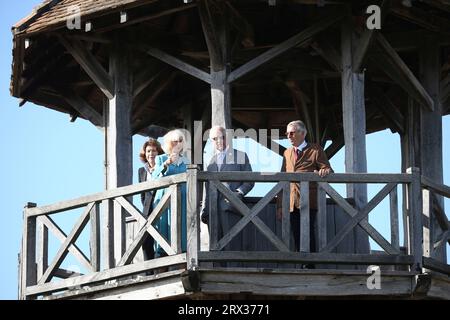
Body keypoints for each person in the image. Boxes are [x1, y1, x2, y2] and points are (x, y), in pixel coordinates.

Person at [277, 120, 333, 254]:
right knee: (296, 231)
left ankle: (310, 263)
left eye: (292, 133)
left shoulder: (315, 149)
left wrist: (324, 171)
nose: (288, 136)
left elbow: (328, 169)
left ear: (302, 133)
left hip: (309, 199)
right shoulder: (287, 152)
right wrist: (280, 205)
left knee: (308, 231)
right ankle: (303, 262)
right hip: (291, 200)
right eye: (287, 133)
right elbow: (282, 179)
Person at [200, 126, 254, 261]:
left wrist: (238, 193)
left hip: (231, 207)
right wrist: (205, 210)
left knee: (232, 247)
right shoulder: (210, 161)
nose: (218, 141)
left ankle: (234, 278)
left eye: (221, 137)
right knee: (215, 248)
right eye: (214, 139)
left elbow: (250, 180)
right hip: (212, 211)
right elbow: (207, 187)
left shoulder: (240, 155)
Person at [152, 129, 189, 258]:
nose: (178, 144)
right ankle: (160, 269)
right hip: (165, 201)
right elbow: (154, 178)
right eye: (175, 142)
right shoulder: (160, 159)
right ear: (169, 143)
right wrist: (166, 164)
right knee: (163, 234)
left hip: (183, 201)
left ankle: (182, 264)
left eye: (180, 141)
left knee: (182, 236)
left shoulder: (186, 161)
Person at [138, 138, 164, 261]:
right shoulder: (142, 171)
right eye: (148, 151)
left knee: (161, 240)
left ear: (158, 153)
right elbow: (142, 195)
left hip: (162, 207)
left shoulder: (163, 167)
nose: (151, 154)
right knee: (146, 241)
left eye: (154, 151)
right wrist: (147, 207)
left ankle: (161, 268)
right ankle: (149, 271)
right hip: (148, 210)